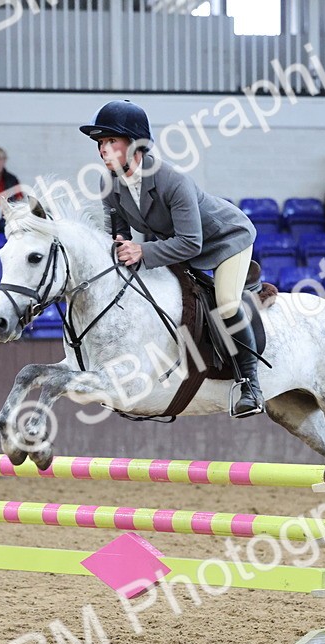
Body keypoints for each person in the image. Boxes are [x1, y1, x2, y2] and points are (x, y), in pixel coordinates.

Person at [79, 100, 263, 418]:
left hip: (225, 240)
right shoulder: (108, 182)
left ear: (135, 144)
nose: (103, 150)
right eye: (100, 143)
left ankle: (250, 385)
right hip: (174, 244)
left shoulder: (171, 181)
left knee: (227, 303)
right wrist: (118, 248)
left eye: (111, 141)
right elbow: (118, 233)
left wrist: (143, 252)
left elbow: (192, 243)